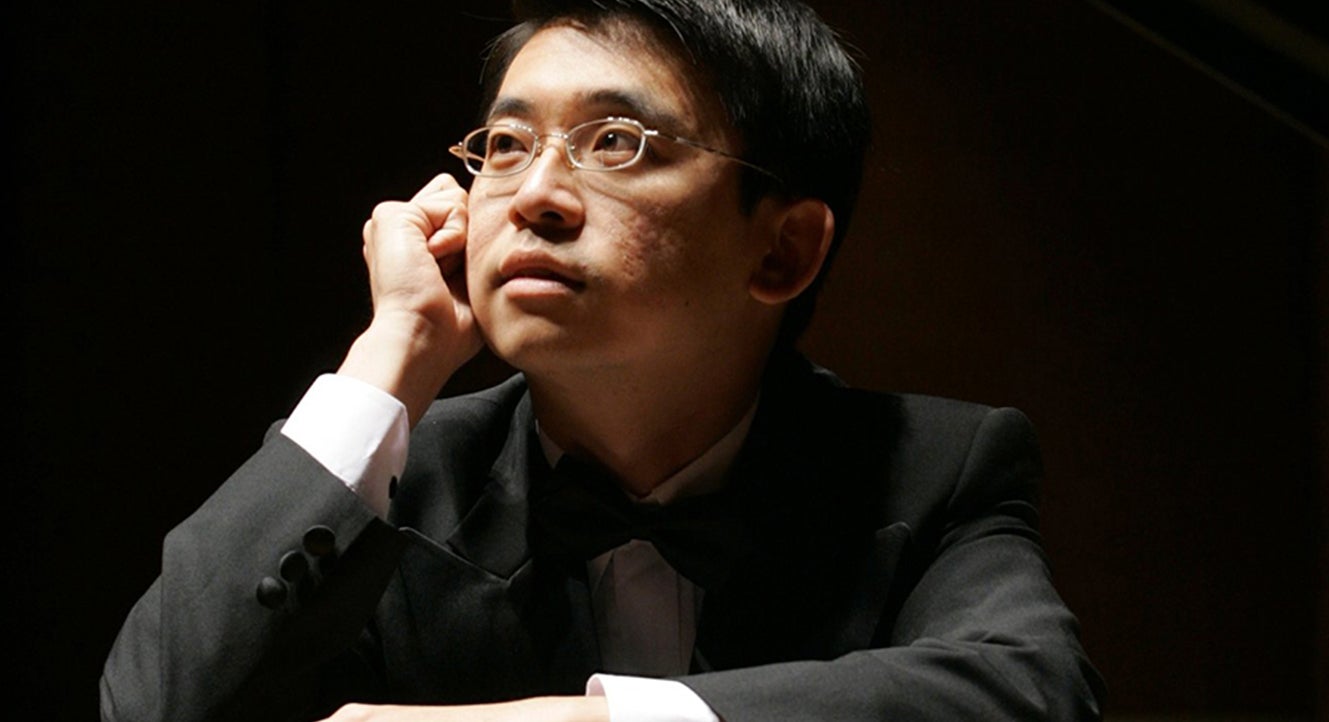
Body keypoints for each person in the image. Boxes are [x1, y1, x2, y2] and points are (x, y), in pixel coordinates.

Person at [101, 0, 1105, 719]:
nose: (536, 194)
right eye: (504, 144)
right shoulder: (392, 480)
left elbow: (1035, 689)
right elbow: (157, 704)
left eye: (618, 141)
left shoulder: (936, 469)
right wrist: (394, 348)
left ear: (783, 250)